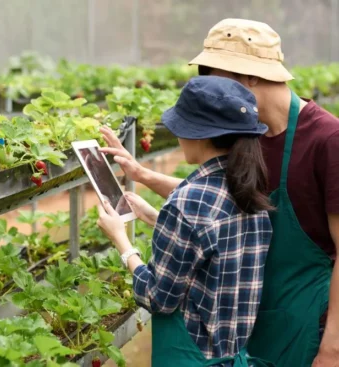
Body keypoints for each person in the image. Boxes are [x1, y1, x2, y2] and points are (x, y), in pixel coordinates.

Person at [99, 19, 339, 367]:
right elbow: (220, 202)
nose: (211, 91)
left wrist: (332, 349)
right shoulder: (246, 134)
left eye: (213, 78)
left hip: (306, 327)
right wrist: (143, 176)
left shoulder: (327, 140)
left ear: (250, 76)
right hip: (243, 325)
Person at [97, 75, 274, 366]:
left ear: (200, 134)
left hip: (191, 357)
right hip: (235, 355)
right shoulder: (251, 191)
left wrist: (122, 242)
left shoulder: (187, 203)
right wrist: (155, 215)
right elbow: (211, 246)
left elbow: (157, 298)